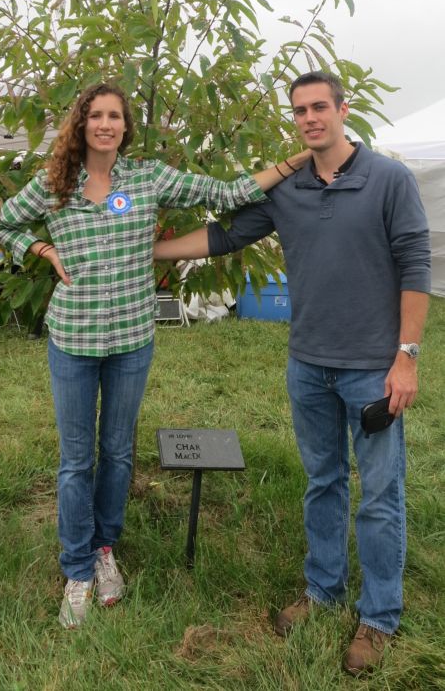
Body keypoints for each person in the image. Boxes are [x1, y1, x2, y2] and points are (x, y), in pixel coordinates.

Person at [0, 82, 310, 629]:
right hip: (74, 339)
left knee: (116, 451)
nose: (106, 125)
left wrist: (290, 164)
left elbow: (229, 193)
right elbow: (3, 226)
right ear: (81, 123)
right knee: (75, 459)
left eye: (115, 116)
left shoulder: (148, 177)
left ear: (125, 126)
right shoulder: (54, 184)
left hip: (132, 337)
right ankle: (77, 568)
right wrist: (40, 249)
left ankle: (105, 549)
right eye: (96, 115)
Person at [154, 71, 431, 676]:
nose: (310, 118)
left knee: (380, 495)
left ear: (342, 109)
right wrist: (148, 248)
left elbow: (416, 265)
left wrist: (406, 357)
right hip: (308, 365)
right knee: (322, 482)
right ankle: (323, 591)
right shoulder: (288, 190)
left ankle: (379, 616)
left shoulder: (388, 179)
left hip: (372, 370)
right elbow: (226, 235)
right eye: (300, 111)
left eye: (319, 107)